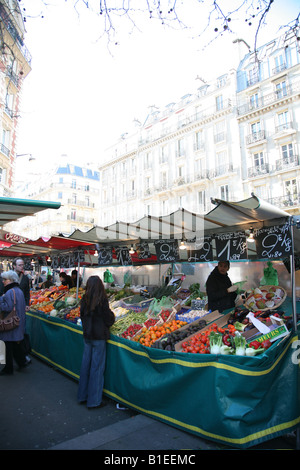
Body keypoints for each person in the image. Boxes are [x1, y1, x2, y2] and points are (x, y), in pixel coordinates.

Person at [77, 275, 115, 409]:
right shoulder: (101, 300)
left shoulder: (84, 299)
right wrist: (112, 318)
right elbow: (108, 318)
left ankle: (82, 396)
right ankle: (94, 401)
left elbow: (81, 316)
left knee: (85, 365)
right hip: (98, 338)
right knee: (97, 369)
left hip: (87, 336)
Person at [0, 270, 27, 375]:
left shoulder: (10, 292)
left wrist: (1, 300)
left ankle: (8, 368)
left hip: (10, 323)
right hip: (17, 321)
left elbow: (7, 307)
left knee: (7, 346)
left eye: (5, 279)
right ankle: (22, 362)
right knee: (14, 344)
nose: (3, 282)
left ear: (11, 280)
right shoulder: (18, 290)